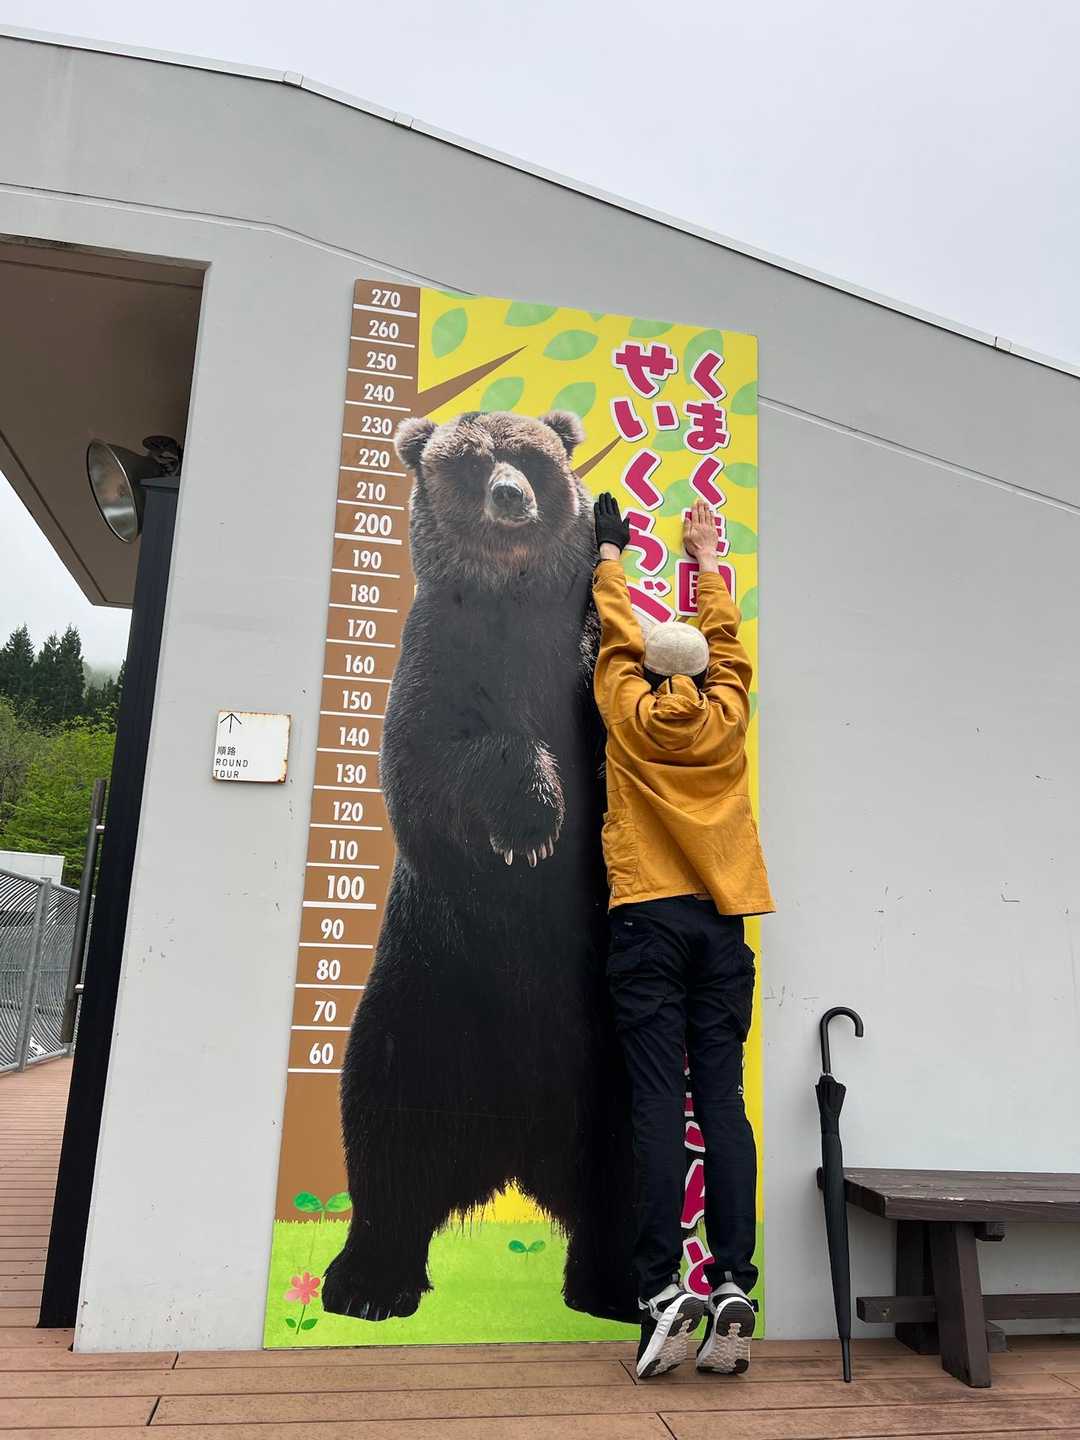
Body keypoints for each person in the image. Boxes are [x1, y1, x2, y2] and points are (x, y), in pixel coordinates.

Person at [591, 492, 775, 1379]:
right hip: (721, 925)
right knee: (723, 1106)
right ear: (705, 672)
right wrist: (704, 557)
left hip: (647, 923)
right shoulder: (728, 713)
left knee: (659, 1106)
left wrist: (610, 557)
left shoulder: (627, 710)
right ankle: (734, 1279)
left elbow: (618, 636)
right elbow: (728, 646)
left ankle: (663, 1292)